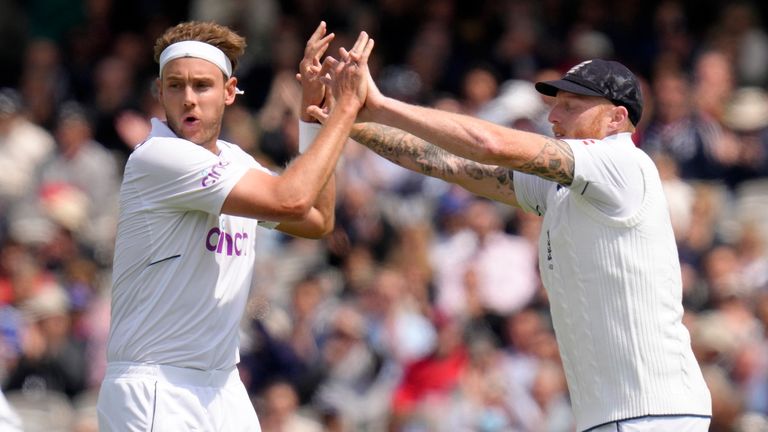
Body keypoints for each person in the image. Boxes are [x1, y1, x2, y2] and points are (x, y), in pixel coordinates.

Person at [311, 58, 712, 431]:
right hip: (626, 416)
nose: (553, 116)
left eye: (572, 106)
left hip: (652, 414)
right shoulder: (567, 186)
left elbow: (488, 142)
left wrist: (378, 104)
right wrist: (342, 118)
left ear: (616, 118)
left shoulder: (621, 161)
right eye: (556, 104)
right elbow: (445, 163)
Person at [96, 21, 374, 431]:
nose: (188, 99)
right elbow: (292, 199)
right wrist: (346, 110)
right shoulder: (157, 158)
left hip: (223, 386)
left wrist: (316, 116)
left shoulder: (235, 162)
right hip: (155, 386)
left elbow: (318, 220)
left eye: (202, 86)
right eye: (175, 86)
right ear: (159, 93)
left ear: (229, 92)